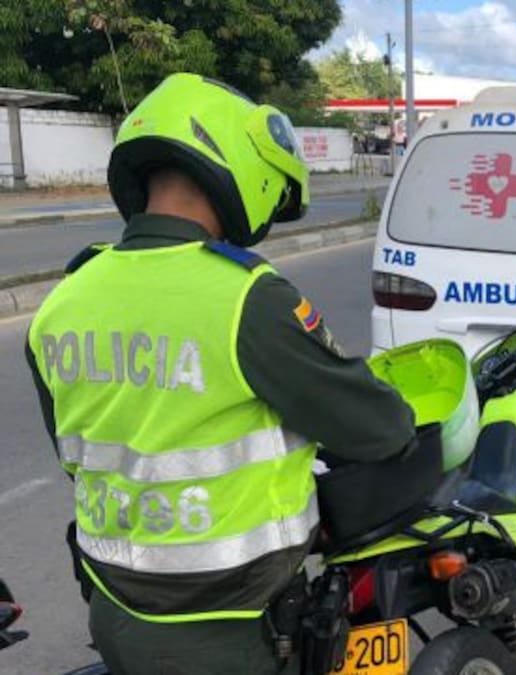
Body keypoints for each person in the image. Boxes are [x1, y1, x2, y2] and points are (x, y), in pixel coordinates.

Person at [25, 73, 418, 673]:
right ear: (237, 163)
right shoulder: (246, 299)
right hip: (230, 627)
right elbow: (379, 428)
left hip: (114, 609)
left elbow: (81, 447)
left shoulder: (62, 302)